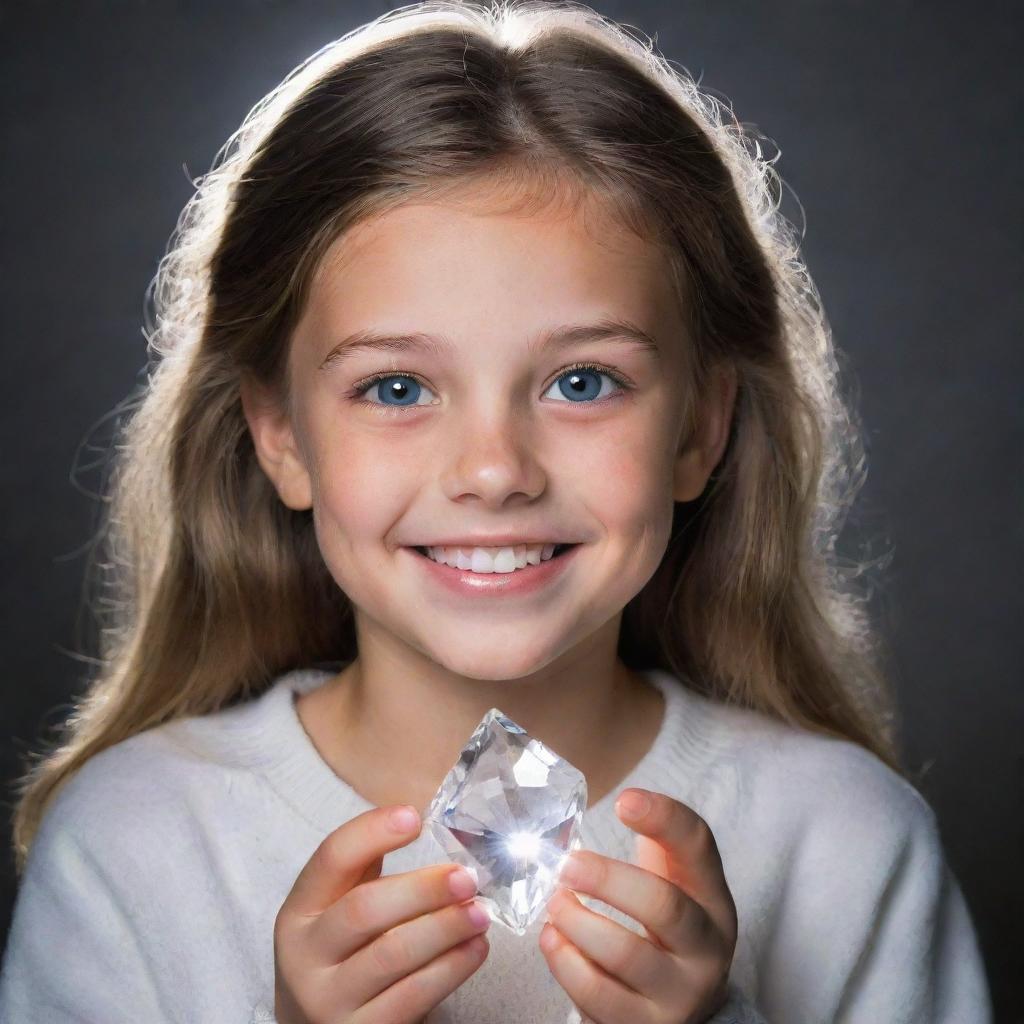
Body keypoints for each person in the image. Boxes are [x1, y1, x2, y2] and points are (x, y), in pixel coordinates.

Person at [0, 1, 992, 1022]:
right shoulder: (135, 842)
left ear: (699, 429)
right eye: (395, 388)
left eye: (582, 381)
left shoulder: (843, 838)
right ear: (279, 435)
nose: (493, 471)